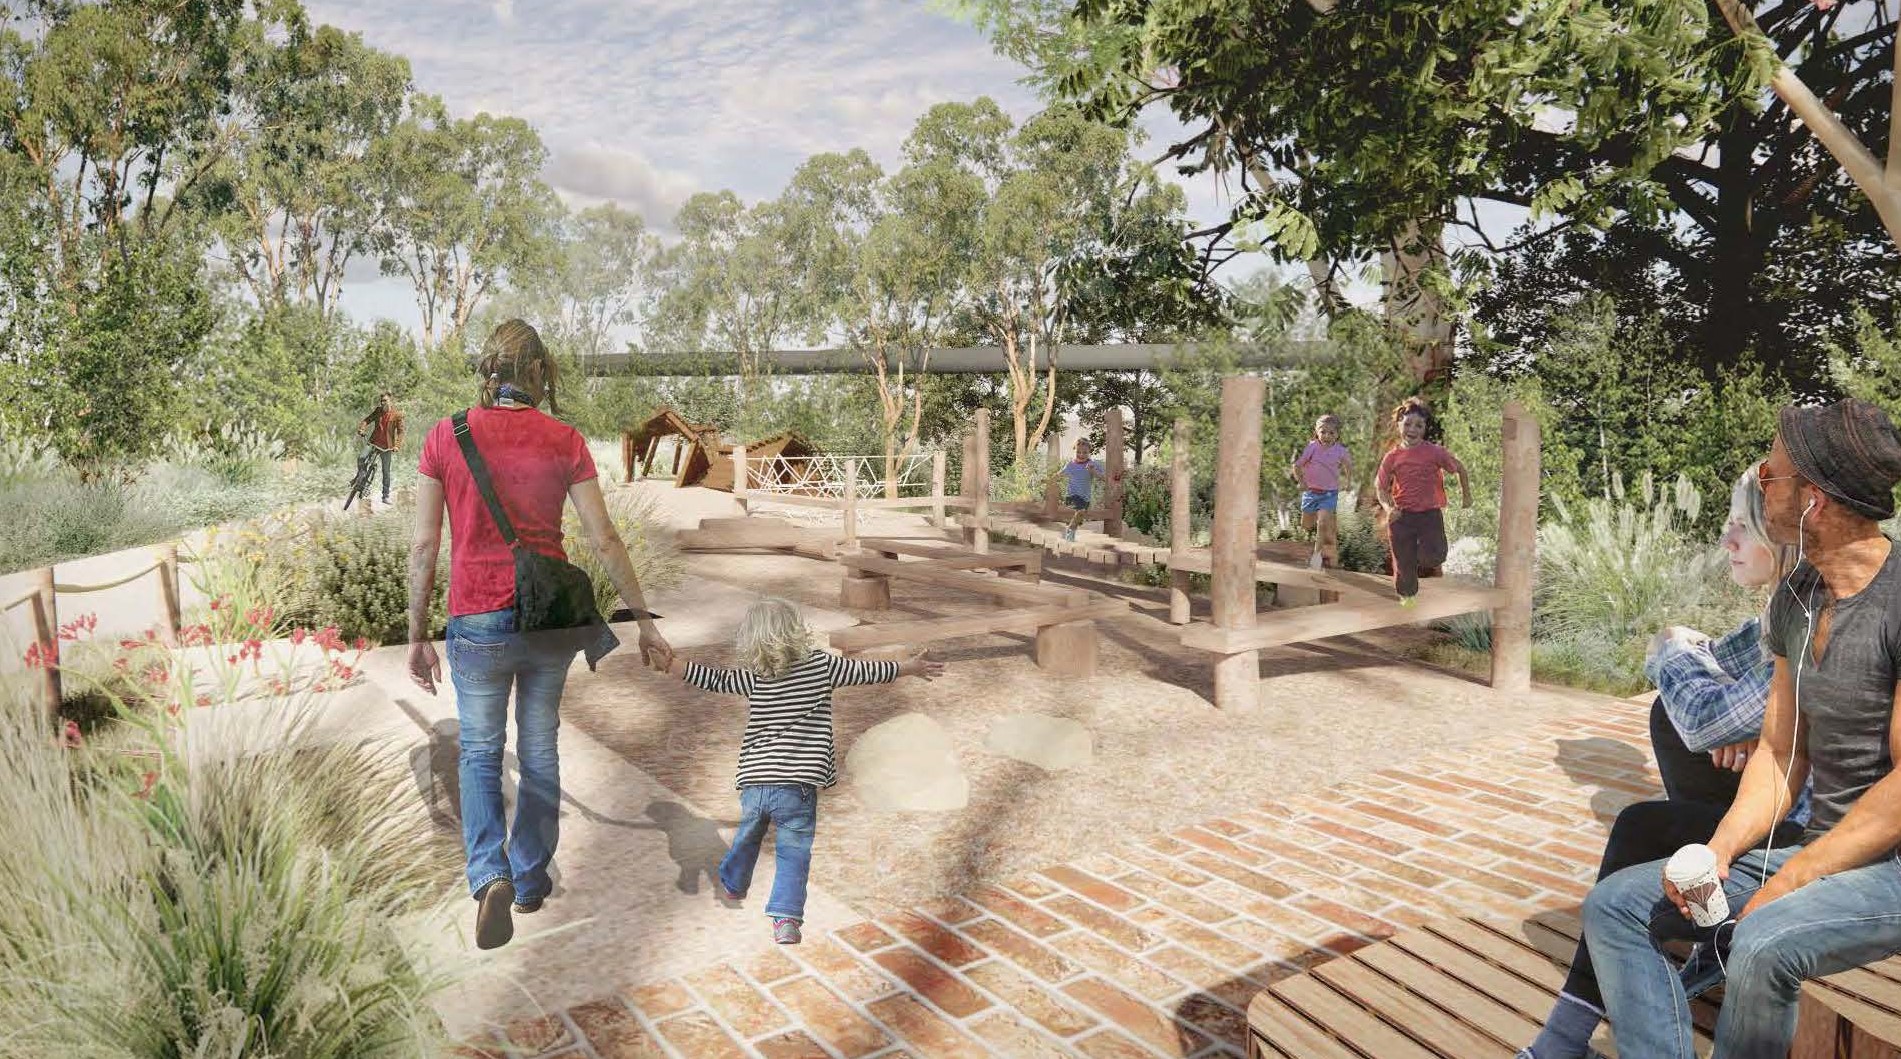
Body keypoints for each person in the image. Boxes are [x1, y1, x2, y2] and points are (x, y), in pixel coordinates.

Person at [1580, 397, 1901, 1058]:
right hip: (1818, 852)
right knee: (1615, 907)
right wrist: (1720, 851)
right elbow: (1781, 751)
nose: (1759, 481)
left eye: (1771, 474)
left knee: (1756, 942)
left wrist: (1788, 882)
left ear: (1813, 499)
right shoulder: (1797, 596)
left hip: (1888, 870)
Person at [1517, 468, 1810, 1059]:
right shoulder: (1779, 610)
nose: (1726, 541)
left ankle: (1565, 1040)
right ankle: (1569, 1037)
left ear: (1778, 536)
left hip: (1805, 833)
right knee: (1665, 738)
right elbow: (1704, 660)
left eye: (1741, 526)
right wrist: (1683, 655)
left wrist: (1678, 659)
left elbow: (1704, 715)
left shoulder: (1808, 615)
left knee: (1643, 816)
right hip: (1769, 810)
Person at [404, 319, 670, 952]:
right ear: (539, 374)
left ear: (487, 372)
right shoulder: (564, 439)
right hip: (548, 622)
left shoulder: (446, 436)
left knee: (477, 750)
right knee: (541, 746)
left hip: (476, 618)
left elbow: (423, 544)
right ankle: (528, 877)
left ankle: (488, 873)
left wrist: (418, 632)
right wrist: (645, 621)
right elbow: (604, 537)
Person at [646, 597, 943, 945]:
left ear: (752, 639)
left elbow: (713, 678)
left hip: (757, 780)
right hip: (799, 785)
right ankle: (786, 919)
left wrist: (671, 664)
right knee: (794, 851)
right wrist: (909, 667)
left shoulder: (756, 676)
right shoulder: (822, 666)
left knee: (748, 835)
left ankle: (733, 883)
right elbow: (869, 672)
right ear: (796, 632)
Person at [1374, 398, 1470, 606]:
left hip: (1429, 515)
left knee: (1434, 557)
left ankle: (1414, 556)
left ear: (1425, 427)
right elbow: (1380, 487)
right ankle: (1407, 601)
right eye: (1407, 424)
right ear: (1399, 424)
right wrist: (1389, 508)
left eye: (1419, 425)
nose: (1412, 429)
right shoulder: (1392, 457)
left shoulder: (1435, 452)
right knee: (1403, 565)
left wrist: (1466, 496)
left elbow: (1460, 468)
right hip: (1402, 516)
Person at [1290, 414, 1352, 570]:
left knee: (1323, 523)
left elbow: (1348, 466)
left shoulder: (1340, 451)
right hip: (1311, 493)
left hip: (1329, 493)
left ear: (1338, 434)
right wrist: (1302, 481)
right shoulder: (1312, 447)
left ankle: (1316, 556)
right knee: (1306, 525)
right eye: (1323, 431)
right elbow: (1297, 466)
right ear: (1316, 432)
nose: (1327, 436)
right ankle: (1308, 540)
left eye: (1332, 433)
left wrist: (1348, 482)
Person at [1058, 438, 1121, 543]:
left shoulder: (1092, 464)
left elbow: (1104, 478)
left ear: (1089, 452)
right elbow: (1060, 474)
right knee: (1078, 512)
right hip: (1072, 495)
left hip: (1085, 497)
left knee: (1079, 515)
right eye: (1078, 452)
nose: (1081, 455)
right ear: (1074, 451)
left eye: (1085, 452)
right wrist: (1049, 480)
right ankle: (1070, 531)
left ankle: (1070, 530)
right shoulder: (1070, 465)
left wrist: (1093, 471)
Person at [356, 391, 406, 506]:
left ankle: (385, 496)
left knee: (386, 472)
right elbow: (367, 420)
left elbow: (401, 432)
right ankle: (360, 479)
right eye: (382, 401)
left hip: (387, 447)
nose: (383, 403)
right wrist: (362, 429)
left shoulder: (397, 415)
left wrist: (397, 446)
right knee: (361, 458)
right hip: (373, 442)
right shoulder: (378, 411)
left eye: (385, 401)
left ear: (390, 401)